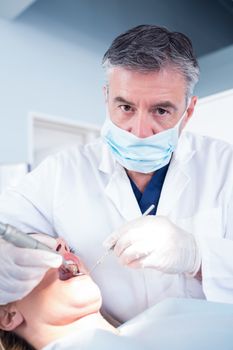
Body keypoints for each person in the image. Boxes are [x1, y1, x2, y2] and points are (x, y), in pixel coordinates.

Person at [0, 24, 233, 323]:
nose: (139, 131)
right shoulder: (62, 172)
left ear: (188, 112)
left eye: (161, 111)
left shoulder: (225, 166)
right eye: (125, 107)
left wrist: (198, 257)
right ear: (106, 98)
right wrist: (17, 254)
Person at [1, 235, 233, 350]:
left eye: (67, 247)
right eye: (31, 253)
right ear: (8, 316)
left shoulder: (170, 313)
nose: (61, 246)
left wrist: (199, 258)